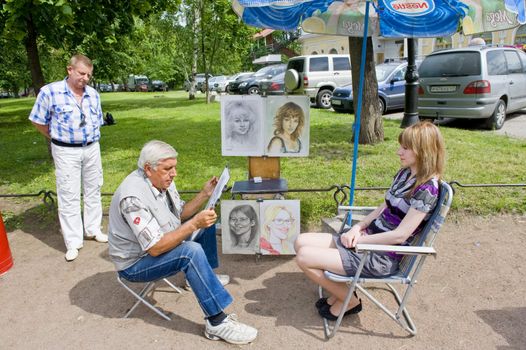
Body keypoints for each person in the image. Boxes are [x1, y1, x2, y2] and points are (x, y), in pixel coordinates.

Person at [108, 140, 257, 345]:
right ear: (148, 169)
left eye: (174, 167)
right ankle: (216, 322)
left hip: (156, 245)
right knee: (191, 251)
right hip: (135, 264)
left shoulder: (161, 180)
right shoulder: (132, 198)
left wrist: (205, 195)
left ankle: (200, 277)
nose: (174, 173)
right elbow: (155, 248)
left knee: (207, 217)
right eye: (168, 168)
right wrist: (194, 223)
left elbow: (179, 215)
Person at [295, 121, 445, 321]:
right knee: (300, 241)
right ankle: (343, 292)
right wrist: (357, 227)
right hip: (367, 240)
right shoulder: (405, 174)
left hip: (381, 257)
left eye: (405, 148)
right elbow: (383, 207)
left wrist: (359, 241)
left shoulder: (427, 189)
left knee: (304, 257)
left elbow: (400, 236)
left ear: (423, 151)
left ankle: (349, 300)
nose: (398, 151)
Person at [28, 54, 107, 262]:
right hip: (65, 151)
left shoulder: (93, 94)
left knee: (93, 189)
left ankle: (93, 229)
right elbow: (37, 120)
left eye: (89, 75)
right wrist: (53, 136)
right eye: (82, 73)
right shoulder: (50, 92)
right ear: (69, 70)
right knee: (69, 194)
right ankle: (73, 242)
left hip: (91, 148)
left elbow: (97, 120)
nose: (86, 78)